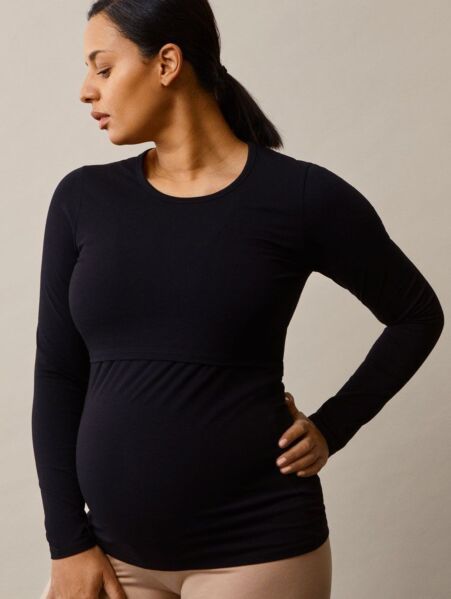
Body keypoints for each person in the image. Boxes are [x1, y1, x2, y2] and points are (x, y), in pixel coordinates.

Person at [32, 1, 444, 598]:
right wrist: (66, 542)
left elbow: (417, 314)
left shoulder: (299, 197)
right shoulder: (82, 201)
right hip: (112, 556)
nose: (85, 90)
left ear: (166, 63)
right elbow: (57, 375)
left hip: (258, 551)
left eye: (103, 68)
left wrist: (333, 426)